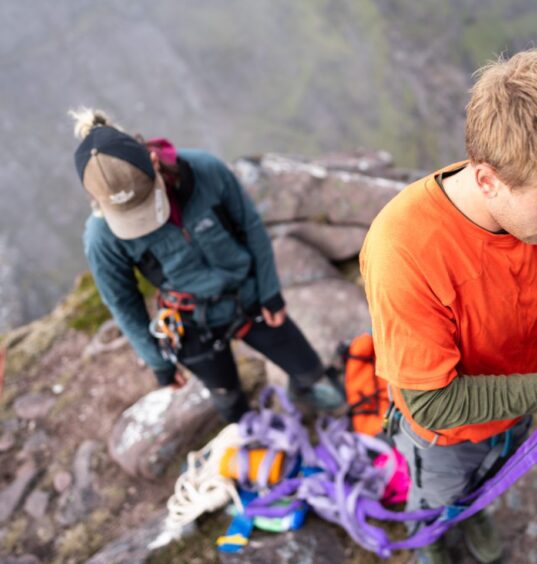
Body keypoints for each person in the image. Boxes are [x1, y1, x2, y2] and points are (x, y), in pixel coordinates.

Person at [360, 50, 537, 563]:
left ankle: (475, 513)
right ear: (487, 178)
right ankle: (439, 542)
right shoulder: (404, 249)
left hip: (515, 408)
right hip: (443, 440)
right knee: (439, 504)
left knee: (488, 481)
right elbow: (432, 403)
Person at [72, 109, 344, 423]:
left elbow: (251, 226)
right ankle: (250, 429)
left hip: (247, 294)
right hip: (189, 321)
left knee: (312, 373)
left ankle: (305, 395)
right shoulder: (102, 236)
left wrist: (270, 291)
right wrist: (159, 362)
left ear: (154, 162)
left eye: (146, 203)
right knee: (228, 399)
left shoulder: (205, 171)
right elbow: (122, 301)